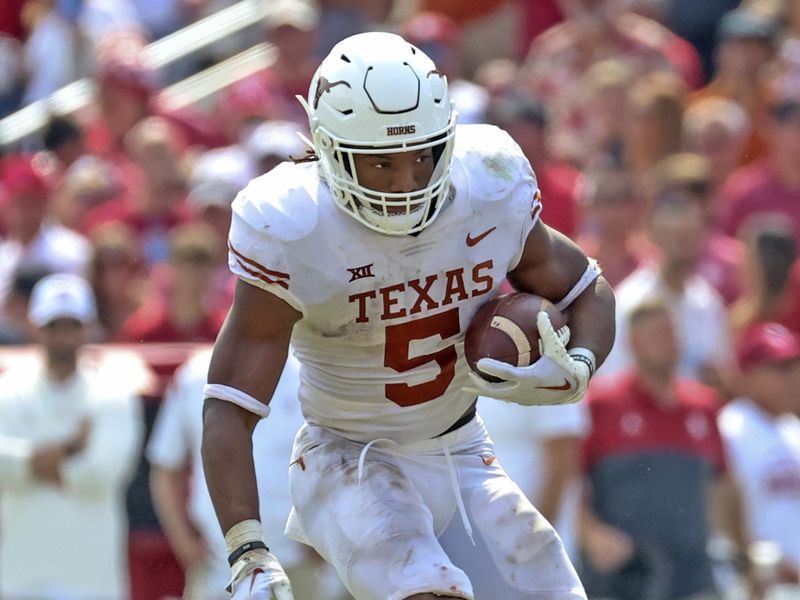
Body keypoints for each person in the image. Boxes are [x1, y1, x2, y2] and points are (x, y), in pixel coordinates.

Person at [201, 32, 615, 600]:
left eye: (423, 155)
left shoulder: (488, 184)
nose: (406, 181)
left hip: (462, 449)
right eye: (380, 163)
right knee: (425, 588)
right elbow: (228, 405)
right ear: (329, 150)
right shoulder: (295, 226)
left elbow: (586, 286)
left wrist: (581, 364)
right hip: (347, 457)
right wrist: (246, 548)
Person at [149, 347, 349, 600]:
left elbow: (342, 462)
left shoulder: (313, 371)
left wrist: (326, 540)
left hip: (300, 568)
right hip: (217, 569)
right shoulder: (195, 373)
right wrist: (186, 544)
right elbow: (167, 468)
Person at [580, 299, 746, 600]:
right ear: (632, 343)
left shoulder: (704, 405)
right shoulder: (601, 404)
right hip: (622, 576)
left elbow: (724, 484)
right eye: (656, 334)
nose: (667, 343)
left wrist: (739, 551)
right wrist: (589, 532)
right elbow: (570, 480)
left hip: (693, 576)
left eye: (671, 333)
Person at [0, 273, 145, 599]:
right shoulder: (8, 391)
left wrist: (27, 465)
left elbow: (102, 475)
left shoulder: (113, 394)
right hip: (23, 576)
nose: (63, 335)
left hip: (91, 579)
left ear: (88, 328)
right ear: (36, 326)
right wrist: (69, 448)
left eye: (71, 325)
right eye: (54, 325)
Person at [718, 323, 800, 596]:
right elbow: (719, 508)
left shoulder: (793, 428)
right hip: (754, 585)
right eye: (781, 368)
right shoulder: (730, 428)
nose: (794, 377)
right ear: (749, 374)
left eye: (795, 365)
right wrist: (749, 560)